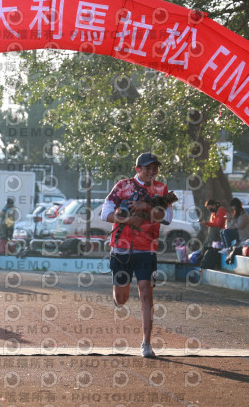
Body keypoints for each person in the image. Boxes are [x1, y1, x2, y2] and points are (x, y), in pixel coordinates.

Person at [101, 152, 173, 358]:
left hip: (147, 249)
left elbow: (166, 217)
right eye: (148, 168)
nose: (152, 171)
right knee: (121, 299)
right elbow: (105, 213)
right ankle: (119, 294)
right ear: (138, 169)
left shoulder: (161, 190)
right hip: (121, 249)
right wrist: (126, 220)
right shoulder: (122, 186)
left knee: (146, 293)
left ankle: (146, 343)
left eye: (155, 168)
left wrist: (147, 206)